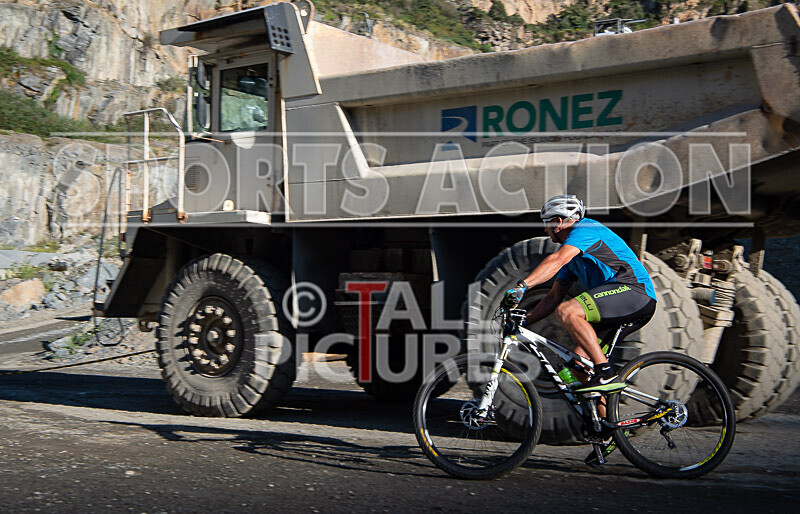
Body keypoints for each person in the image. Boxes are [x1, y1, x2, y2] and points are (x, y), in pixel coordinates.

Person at [503, 194, 657, 465]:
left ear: (560, 222)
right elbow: (551, 298)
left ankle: (605, 372)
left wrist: (522, 286)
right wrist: (523, 321)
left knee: (569, 311)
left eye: (547, 224)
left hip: (634, 293)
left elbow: (556, 262)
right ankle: (611, 432)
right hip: (617, 306)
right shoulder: (574, 256)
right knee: (577, 365)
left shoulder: (586, 230)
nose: (545, 229)